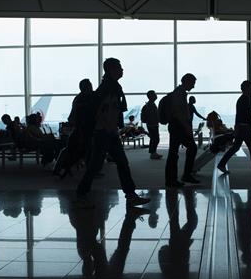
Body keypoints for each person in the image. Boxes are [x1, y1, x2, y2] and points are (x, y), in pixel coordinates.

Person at [75, 58, 150, 208]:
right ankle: (81, 194)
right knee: (97, 166)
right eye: (119, 67)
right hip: (104, 133)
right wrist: (109, 127)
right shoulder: (108, 88)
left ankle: (130, 195)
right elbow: (102, 111)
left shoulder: (112, 87)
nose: (122, 70)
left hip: (109, 133)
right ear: (111, 70)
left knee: (119, 164)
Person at [217, 81, 251, 175]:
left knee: (237, 147)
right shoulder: (244, 99)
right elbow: (245, 115)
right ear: (247, 88)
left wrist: (237, 127)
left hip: (242, 127)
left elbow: (239, 115)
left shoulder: (243, 99)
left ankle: (222, 164)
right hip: (244, 128)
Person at [166, 73, 198, 187]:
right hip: (178, 127)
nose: (193, 86)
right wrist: (186, 127)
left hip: (176, 126)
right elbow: (179, 113)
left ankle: (174, 179)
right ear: (187, 82)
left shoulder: (179, 92)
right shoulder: (179, 93)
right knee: (189, 149)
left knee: (174, 153)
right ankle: (182, 176)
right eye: (193, 83)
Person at [141, 90, 162, 160]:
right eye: (155, 94)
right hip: (152, 124)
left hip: (152, 124)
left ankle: (153, 153)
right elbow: (151, 116)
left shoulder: (151, 104)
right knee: (155, 139)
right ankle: (153, 153)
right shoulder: (150, 105)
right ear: (151, 96)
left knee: (154, 139)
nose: (156, 95)